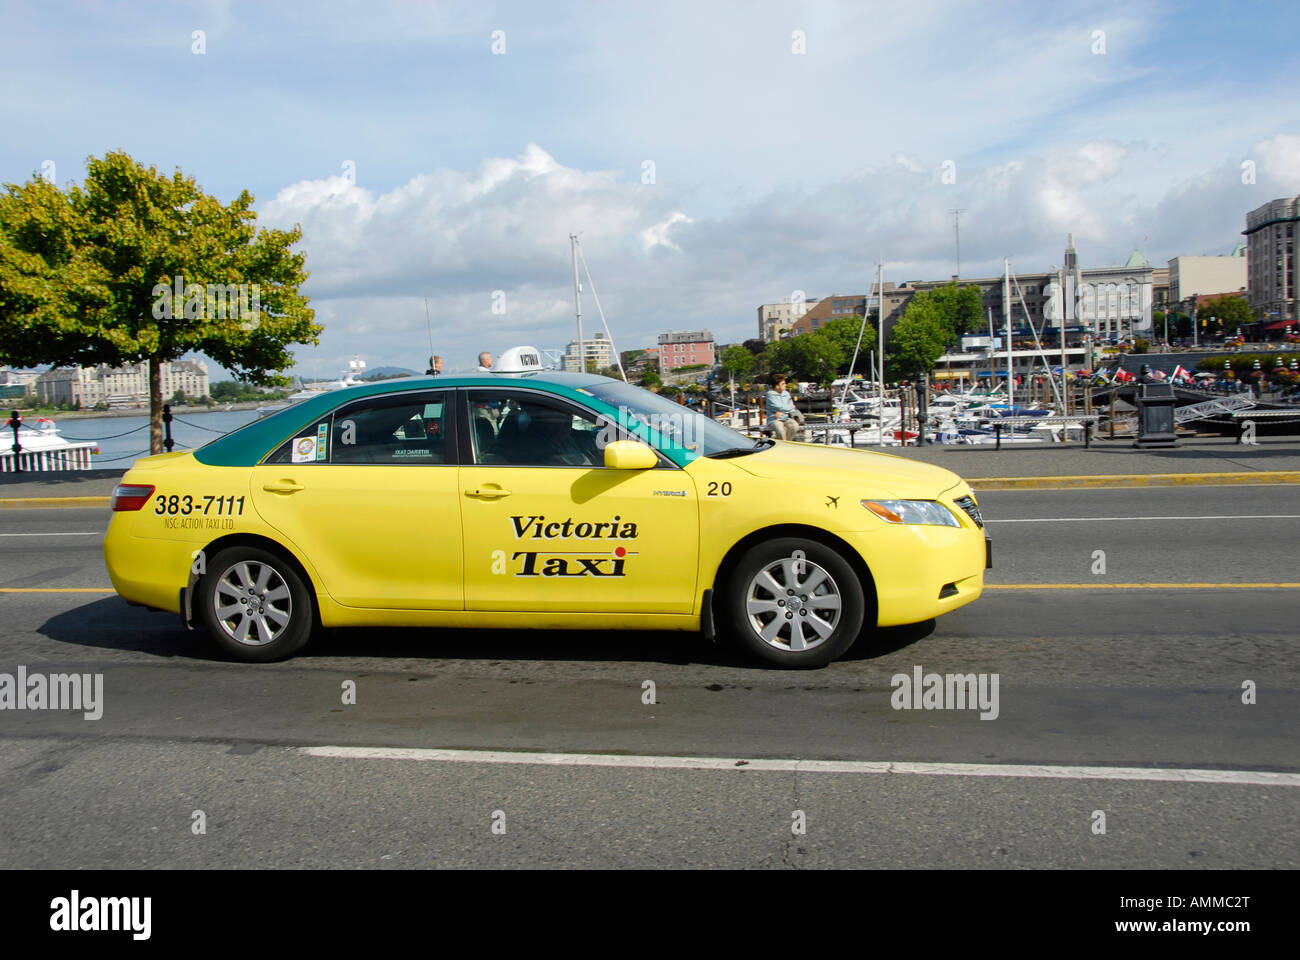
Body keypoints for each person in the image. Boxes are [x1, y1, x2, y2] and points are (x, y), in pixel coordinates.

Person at [765, 374, 803, 441]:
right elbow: (776, 406)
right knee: (780, 430)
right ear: (777, 385)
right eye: (783, 384)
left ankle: (787, 443)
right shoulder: (770, 394)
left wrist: (782, 411)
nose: (785, 385)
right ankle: (784, 445)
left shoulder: (786, 394)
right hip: (774, 418)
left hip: (787, 417)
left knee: (794, 426)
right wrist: (787, 408)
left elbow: (792, 407)